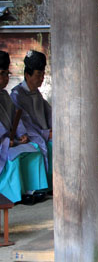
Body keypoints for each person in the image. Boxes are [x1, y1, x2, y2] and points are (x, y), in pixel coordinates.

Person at [0, 51, 48, 204]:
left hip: (11, 139)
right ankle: (11, 197)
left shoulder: (5, 96)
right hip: (3, 143)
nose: (5, 79)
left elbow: (17, 118)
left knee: (35, 151)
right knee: (12, 158)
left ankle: (34, 189)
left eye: (7, 74)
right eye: (1, 74)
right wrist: (6, 140)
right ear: (27, 75)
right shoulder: (15, 94)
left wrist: (22, 134)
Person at [10, 50, 53, 190]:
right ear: (27, 75)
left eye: (42, 75)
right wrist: (45, 134)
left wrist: (53, 128)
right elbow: (24, 124)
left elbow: (49, 113)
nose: (41, 78)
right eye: (38, 75)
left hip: (43, 132)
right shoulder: (17, 95)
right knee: (42, 147)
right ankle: (39, 187)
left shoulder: (37, 93)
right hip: (31, 135)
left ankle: (54, 183)